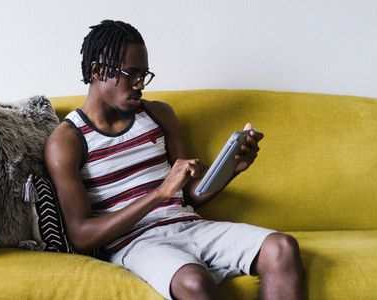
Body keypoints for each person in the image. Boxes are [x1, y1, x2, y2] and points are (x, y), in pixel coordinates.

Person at [45, 20, 304, 300]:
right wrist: (158, 194)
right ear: (97, 71)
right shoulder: (67, 141)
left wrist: (232, 169)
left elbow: (190, 196)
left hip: (191, 225)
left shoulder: (158, 115)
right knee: (194, 282)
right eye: (131, 73)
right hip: (136, 243)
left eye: (144, 74)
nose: (140, 84)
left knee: (282, 247)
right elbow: (82, 236)